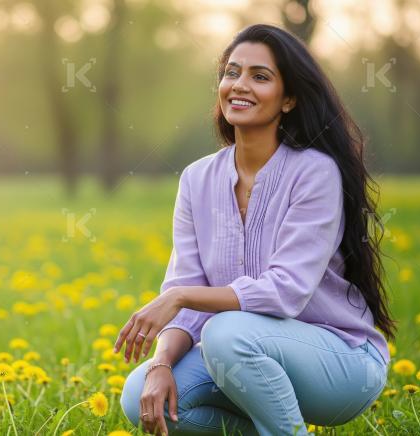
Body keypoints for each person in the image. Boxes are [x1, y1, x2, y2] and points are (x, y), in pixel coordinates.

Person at [114, 24, 396, 436]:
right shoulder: (197, 179)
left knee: (226, 331)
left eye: (259, 77)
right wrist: (159, 364)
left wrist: (176, 297)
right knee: (140, 395)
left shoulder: (314, 173)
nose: (239, 85)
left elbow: (285, 291)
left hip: (341, 364)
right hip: (242, 352)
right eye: (232, 72)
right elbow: (188, 290)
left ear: (289, 99)